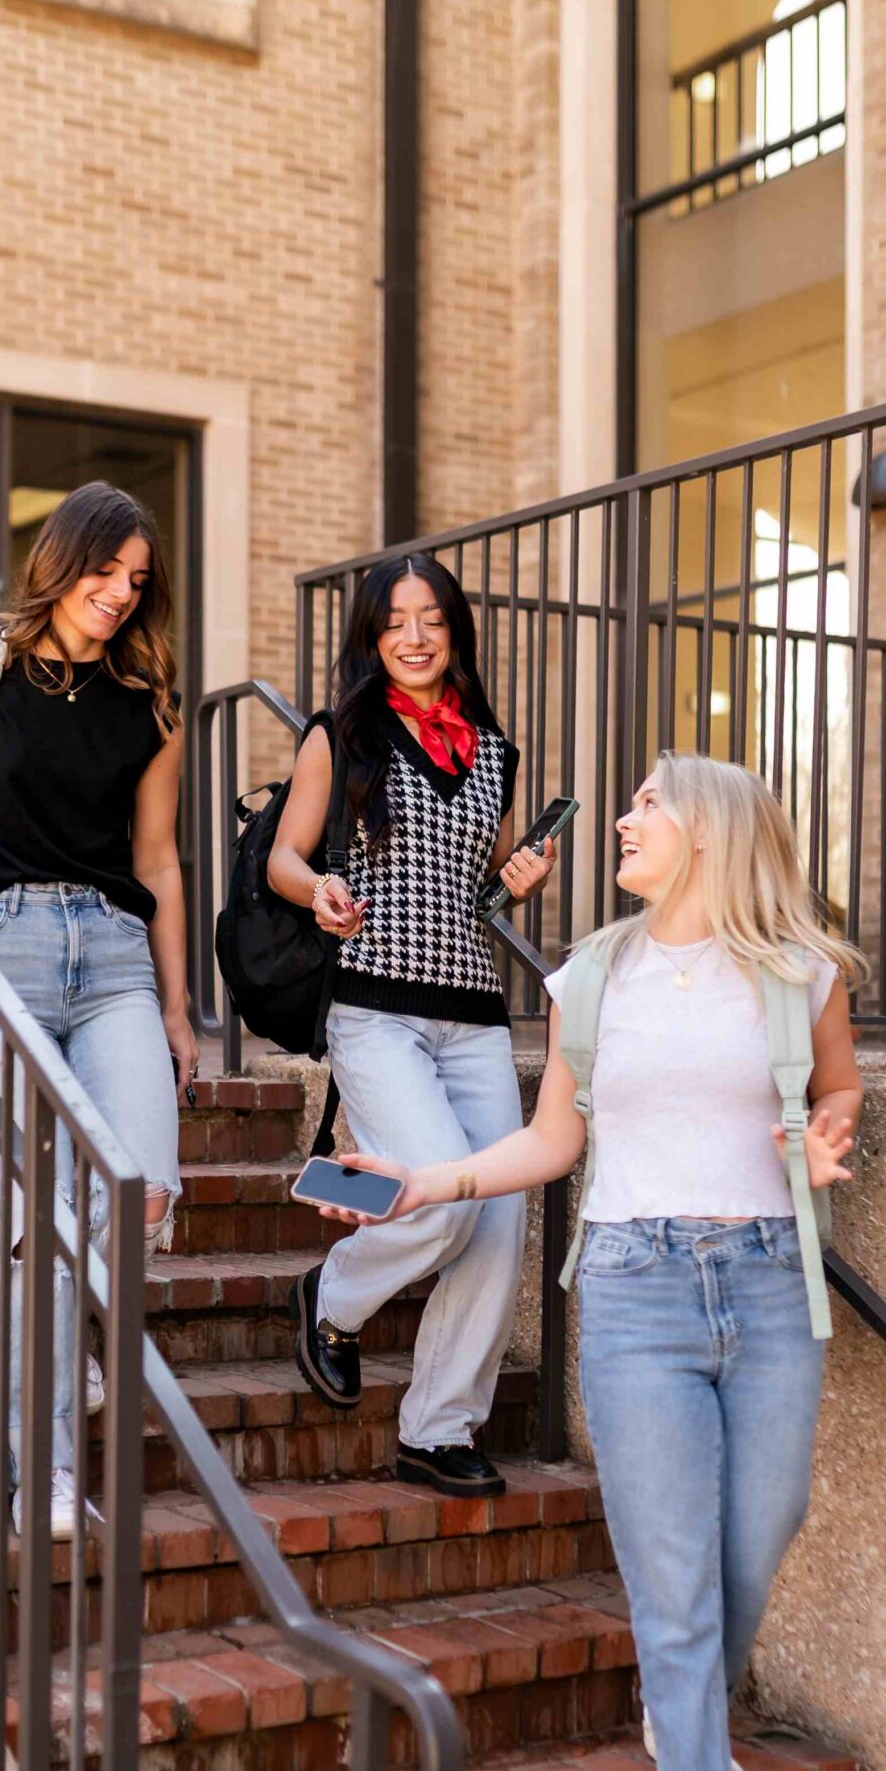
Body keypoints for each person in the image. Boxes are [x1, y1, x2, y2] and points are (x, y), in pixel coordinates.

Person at [316, 752, 864, 1771]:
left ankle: (681, 1716)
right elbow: (555, 1138)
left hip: (771, 1281)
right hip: (631, 1288)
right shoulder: (590, 976)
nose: (622, 818)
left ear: (712, 834)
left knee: (757, 1532)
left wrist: (829, 1133)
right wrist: (428, 1180)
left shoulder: (800, 974)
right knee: (669, 1579)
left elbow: (836, 1087)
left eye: (646, 804)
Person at [0, 481, 200, 1540]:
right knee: (28, 1231)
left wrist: (175, 1008)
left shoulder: (150, 703)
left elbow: (157, 858)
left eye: (136, 581)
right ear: (58, 558)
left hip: (114, 955)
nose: (119, 594)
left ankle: (68, 1339)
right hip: (0, 951)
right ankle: (50, 1478)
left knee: (147, 1192)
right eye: (104, 569)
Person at [267, 552, 553, 1498]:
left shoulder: (494, 748)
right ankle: (335, 1296)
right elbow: (283, 861)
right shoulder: (339, 734)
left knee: (500, 1216)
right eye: (395, 621)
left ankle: (438, 1429)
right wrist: (321, 889)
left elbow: (481, 875)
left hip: (471, 1014)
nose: (415, 636)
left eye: (431, 618)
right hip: (376, 1006)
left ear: (455, 629)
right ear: (371, 635)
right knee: (438, 1196)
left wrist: (516, 880)